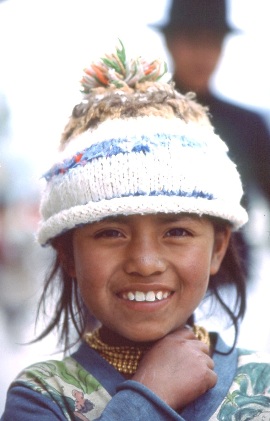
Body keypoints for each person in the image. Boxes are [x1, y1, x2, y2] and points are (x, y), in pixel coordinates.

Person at [2, 40, 270, 420]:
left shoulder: (261, 387)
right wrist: (149, 397)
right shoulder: (42, 398)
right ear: (68, 254)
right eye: (111, 233)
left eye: (176, 232)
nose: (145, 263)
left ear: (218, 248)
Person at [151, 0, 270, 277]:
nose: (202, 54)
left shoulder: (248, 125)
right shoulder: (139, 115)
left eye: (212, 43)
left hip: (230, 277)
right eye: (192, 40)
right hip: (154, 274)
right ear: (170, 42)